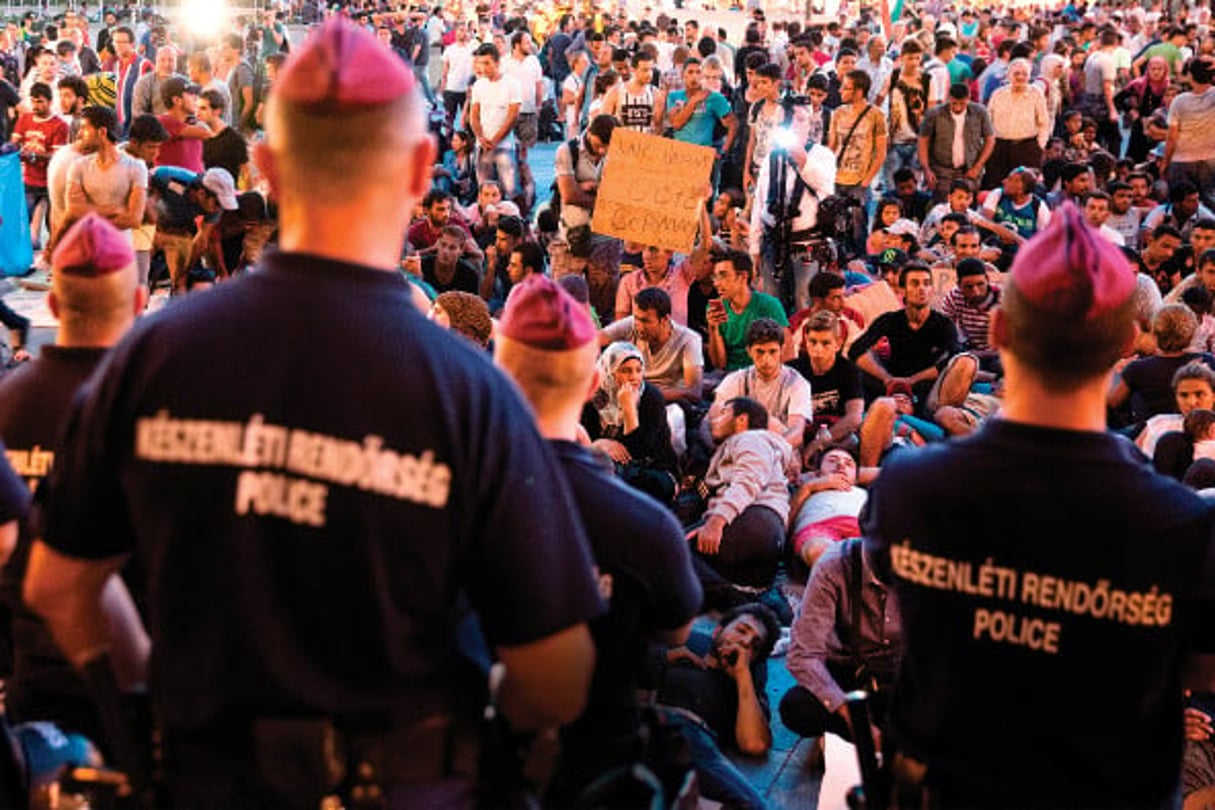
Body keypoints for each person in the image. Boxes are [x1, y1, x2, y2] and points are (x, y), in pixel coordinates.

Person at [24, 21, 603, 806]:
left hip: (202, 780)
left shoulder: (154, 356)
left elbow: (60, 586)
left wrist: (145, 705)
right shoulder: (470, 393)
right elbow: (556, 679)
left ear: (263, 164)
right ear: (422, 169)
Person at [863, 203, 1215, 807]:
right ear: (1129, 343)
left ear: (999, 331)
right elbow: (1199, 672)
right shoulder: (1186, 528)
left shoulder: (909, 488)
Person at [494, 276, 700, 805]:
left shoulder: (456, 500)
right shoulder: (645, 524)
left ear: (500, 374)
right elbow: (675, 633)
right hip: (601, 768)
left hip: (482, 766)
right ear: (591, 384)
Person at [0, 215, 148, 752]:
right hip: (129, 683)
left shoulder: (8, 405)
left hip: (29, 682)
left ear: (56, 308)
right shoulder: (157, 415)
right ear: (137, 304)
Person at [655, 604, 779, 810]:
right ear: (718, 631)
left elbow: (754, 744)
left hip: (691, 739)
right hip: (649, 721)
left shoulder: (746, 682)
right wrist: (664, 658)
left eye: (754, 646)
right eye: (741, 630)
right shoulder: (686, 642)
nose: (745, 642)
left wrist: (742, 676)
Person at [780, 533, 899, 741]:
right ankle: (866, 740)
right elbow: (804, 655)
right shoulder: (834, 565)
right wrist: (852, 717)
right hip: (850, 672)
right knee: (798, 706)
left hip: (903, 673)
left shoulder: (927, 567)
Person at [847, 263, 962, 411]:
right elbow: (856, 350)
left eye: (926, 284)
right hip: (889, 382)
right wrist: (886, 378)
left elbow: (954, 356)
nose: (921, 289)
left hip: (924, 386)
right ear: (903, 291)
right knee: (853, 369)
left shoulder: (943, 324)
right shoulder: (889, 319)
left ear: (932, 290)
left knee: (956, 364)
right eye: (915, 284)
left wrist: (912, 380)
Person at [583, 341, 679, 505]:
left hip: (651, 467)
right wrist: (599, 443)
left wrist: (629, 409)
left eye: (638, 370)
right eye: (625, 371)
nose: (634, 377)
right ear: (609, 371)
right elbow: (581, 436)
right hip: (606, 463)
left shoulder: (650, 397)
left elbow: (639, 451)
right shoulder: (594, 397)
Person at [711, 318, 812, 454]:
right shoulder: (735, 380)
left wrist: (767, 455)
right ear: (749, 351)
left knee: (772, 424)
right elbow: (713, 423)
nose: (766, 360)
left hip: (779, 452)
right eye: (760, 352)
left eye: (772, 352)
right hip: (738, 450)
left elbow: (796, 433)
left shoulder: (797, 383)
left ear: (782, 350)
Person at [601, 286, 704, 403]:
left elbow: (694, 392)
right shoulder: (632, 324)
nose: (639, 326)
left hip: (667, 402)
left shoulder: (689, 340)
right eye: (636, 319)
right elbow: (593, 342)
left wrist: (644, 394)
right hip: (630, 396)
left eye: (645, 321)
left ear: (665, 319)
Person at [706, 250, 788, 372]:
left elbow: (786, 353)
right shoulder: (717, 308)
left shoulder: (769, 305)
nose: (716, 283)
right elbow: (719, 364)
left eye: (723, 275)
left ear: (743, 277)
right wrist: (713, 328)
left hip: (764, 373)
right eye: (715, 277)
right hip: (730, 375)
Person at [917, 83, 994, 200]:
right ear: (949, 98)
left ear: (968, 99)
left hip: (970, 169)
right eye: (954, 103)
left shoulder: (980, 112)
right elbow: (923, 142)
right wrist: (927, 169)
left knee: (967, 203)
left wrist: (978, 166)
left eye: (962, 104)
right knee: (943, 202)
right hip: (942, 170)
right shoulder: (934, 114)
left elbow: (990, 140)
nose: (958, 107)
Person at [470, 43, 522, 206]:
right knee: (485, 191)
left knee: (510, 190)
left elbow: (513, 116)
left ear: (497, 63)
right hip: (483, 146)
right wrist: (480, 137)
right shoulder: (478, 85)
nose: (483, 68)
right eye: (480, 63)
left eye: (487, 63)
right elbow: (474, 115)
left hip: (504, 146)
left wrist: (496, 140)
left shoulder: (512, 84)